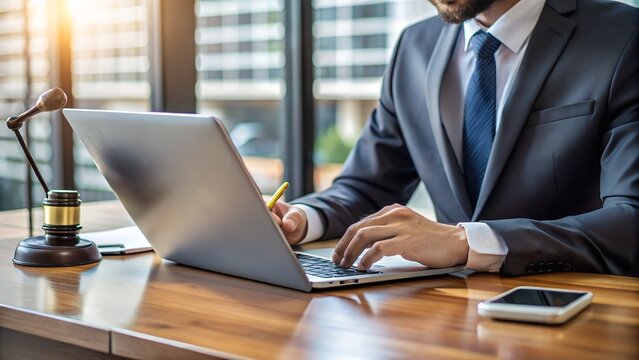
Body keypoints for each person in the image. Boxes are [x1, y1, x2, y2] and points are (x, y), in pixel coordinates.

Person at [271, 0, 639, 276]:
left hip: (576, 312)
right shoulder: (414, 47)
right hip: (445, 316)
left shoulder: (623, 37)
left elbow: (629, 219)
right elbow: (366, 187)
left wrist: (465, 241)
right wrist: (302, 218)